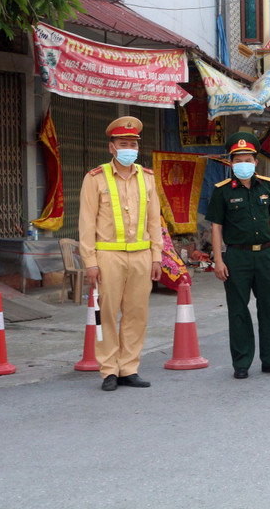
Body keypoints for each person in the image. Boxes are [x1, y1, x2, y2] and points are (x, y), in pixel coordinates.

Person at [79, 116, 163, 392]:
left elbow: (154, 221)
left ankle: (129, 368)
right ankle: (108, 370)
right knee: (108, 313)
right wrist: (89, 262)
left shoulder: (147, 178)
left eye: (133, 144)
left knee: (137, 314)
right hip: (108, 257)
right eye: (123, 143)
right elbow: (86, 223)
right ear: (111, 147)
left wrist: (156, 257)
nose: (130, 148)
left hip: (140, 256)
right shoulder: (95, 178)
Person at [207, 132, 270, 379]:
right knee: (238, 311)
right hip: (237, 258)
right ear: (231, 163)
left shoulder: (267, 186)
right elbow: (216, 227)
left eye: (248, 159)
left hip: (266, 255)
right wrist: (218, 259)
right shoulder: (222, 191)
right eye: (238, 160)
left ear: (256, 162)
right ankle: (241, 363)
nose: (244, 164)